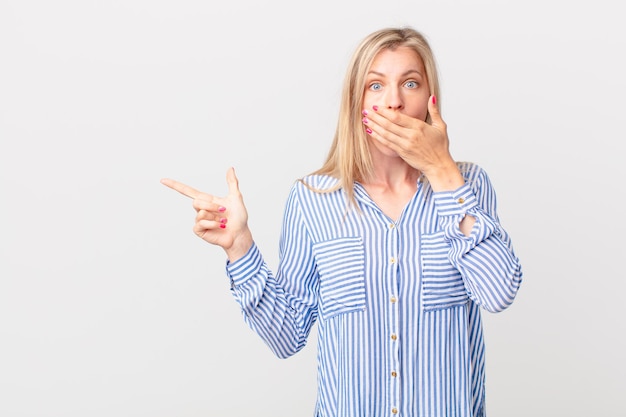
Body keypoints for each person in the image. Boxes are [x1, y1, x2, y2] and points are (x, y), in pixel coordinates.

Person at [161, 26, 522, 417]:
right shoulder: (313, 201)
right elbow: (287, 336)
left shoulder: (468, 186)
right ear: (356, 102)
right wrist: (239, 247)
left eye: (411, 83)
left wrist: (443, 170)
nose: (395, 102)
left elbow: (498, 292)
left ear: (430, 101)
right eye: (376, 86)